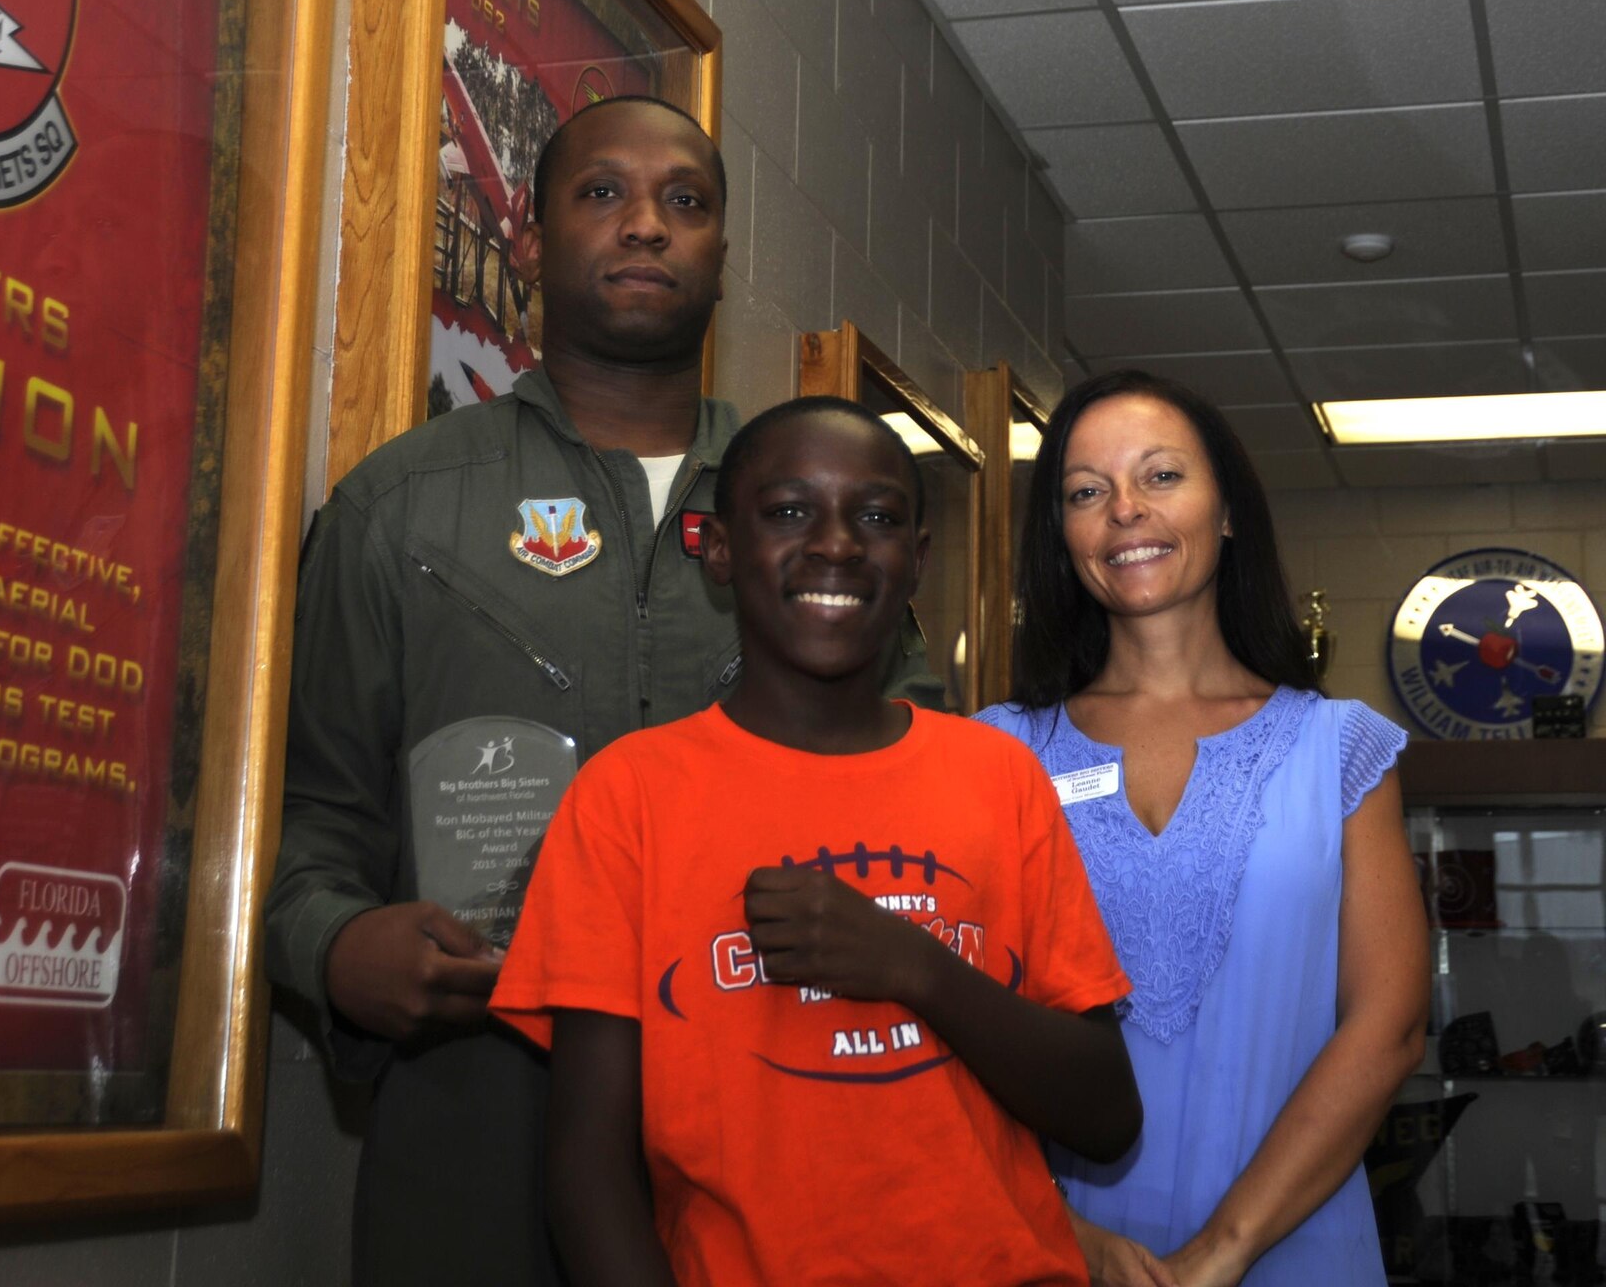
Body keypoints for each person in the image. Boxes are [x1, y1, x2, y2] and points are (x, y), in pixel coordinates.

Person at [264, 98, 941, 1286]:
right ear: (526, 246)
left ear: (721, 256)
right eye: (601, 195)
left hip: (780, 1124)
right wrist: (334, 948)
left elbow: (929, 799)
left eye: (685, 202)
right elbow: (303, 826)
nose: (645, 226)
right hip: (477, 1127)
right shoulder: (402, 507)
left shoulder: (819, 515)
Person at [491, 397, 1141, 1287]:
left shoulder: (997, 776)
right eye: (789, 511)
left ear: (914, 562)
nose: (836, 543)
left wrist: (912, 966)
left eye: (875, 517)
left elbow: (1106, 1113)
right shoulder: (628, 795)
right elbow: (586, 1167)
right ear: (719, 550)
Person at [975, 370, 1428, 1287]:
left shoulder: (1337, 749)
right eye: (1086, 492)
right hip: (1056, 1256)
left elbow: (1389, 1024)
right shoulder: (995, 753)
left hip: (1294, 1245)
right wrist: (1065, 1231)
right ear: (1063, 540)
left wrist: (1220, 1254)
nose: (1125, 512)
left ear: (1228, 513)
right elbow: (957, 1026)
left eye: (1162, 476)